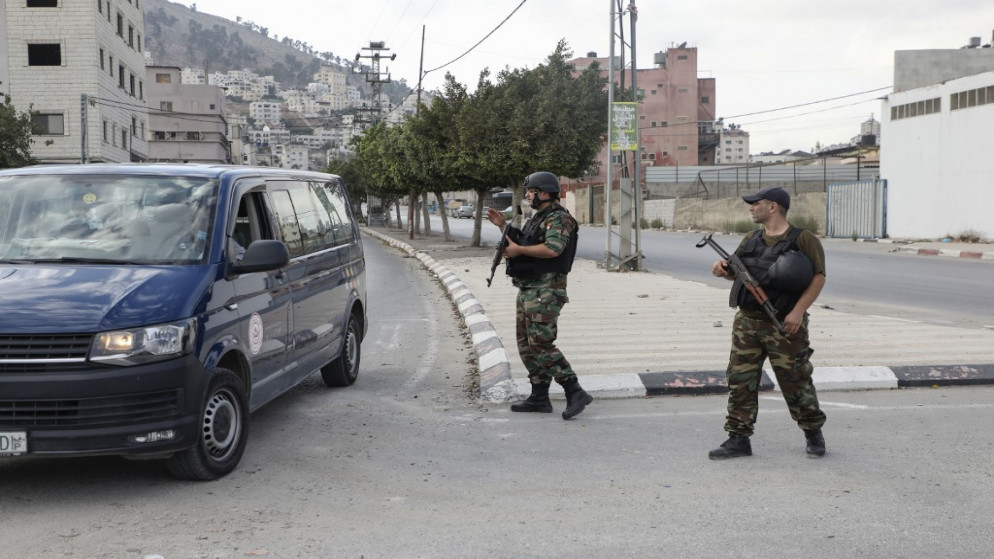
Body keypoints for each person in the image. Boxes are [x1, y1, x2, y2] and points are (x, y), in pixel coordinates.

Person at [708, 186, 828, 459]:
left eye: (755, 203)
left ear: (773, 207)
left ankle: (812, 431)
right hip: (747, 323)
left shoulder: (803, 239)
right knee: (740, 380)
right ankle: (738, 438)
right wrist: (720, 271)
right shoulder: (751, 238)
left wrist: (798, 312)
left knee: (795, 380)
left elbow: (819, 278)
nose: (751, 207)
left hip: (784, 323)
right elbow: (738, 275)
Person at [486, 171, 591, 420]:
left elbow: (553, 249)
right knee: (526, 345)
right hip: (528, 288)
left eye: (531, 191)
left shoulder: (559, 218)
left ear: (544, 193)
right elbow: (525, 240)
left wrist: (519, 249)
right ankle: (539, 396)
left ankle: (574, 390)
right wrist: (503, 226)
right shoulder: (538, 218)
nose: (528, 195)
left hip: (546, 290)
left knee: (541, 343)